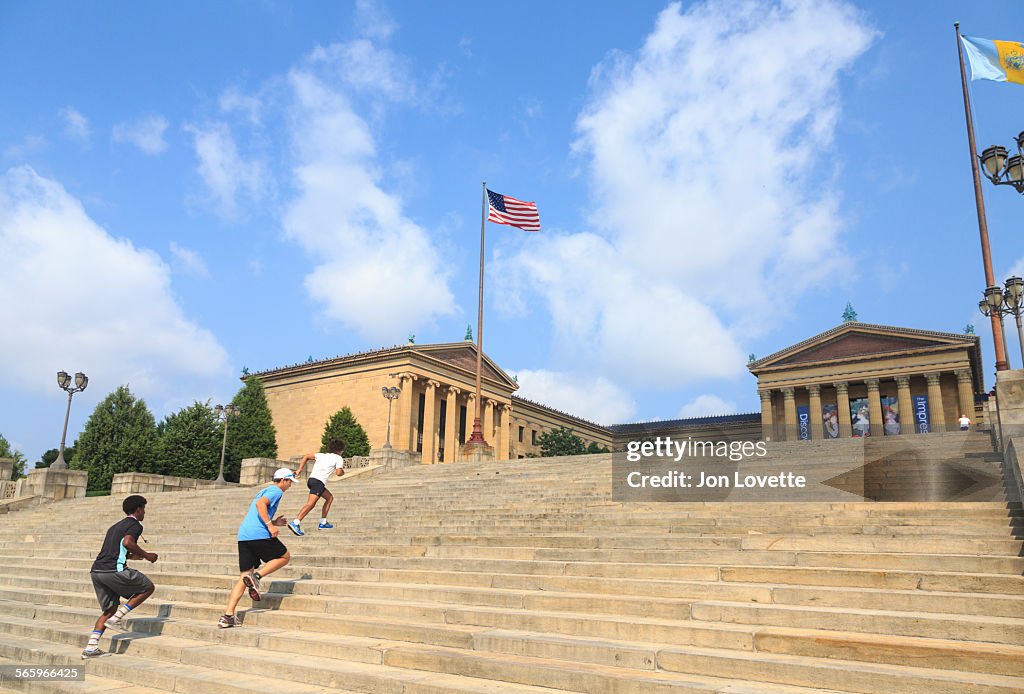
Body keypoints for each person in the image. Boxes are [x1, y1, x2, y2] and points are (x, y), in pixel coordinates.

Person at [218, 468, 295, 629]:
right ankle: (257, 577)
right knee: (284, 556)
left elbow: (257, 511)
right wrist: (270, 526)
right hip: (258, 534)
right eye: (289, 482)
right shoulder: (276, 491)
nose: (290, 486)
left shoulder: (265, 490)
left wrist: (274, 522)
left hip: (244, 535)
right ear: (283, 480)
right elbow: (261, 505)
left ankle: (228, 616)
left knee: (244, 576)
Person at [83, 495, 158, 658]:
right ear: (138, 509)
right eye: (144, 509)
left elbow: (115, 550)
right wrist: (147, 555)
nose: (144, 512)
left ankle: (91, 647)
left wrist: (131, 557)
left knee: (108, 610)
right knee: (148, 587)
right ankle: (117, 618)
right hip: (113, 570)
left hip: (97, 571)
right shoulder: (135, 525)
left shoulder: (114, 526)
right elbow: (127, 542)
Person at [288, 440, 346, 536]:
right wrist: (342, 472)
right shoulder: (338, 458)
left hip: (312, 480)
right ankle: (296, 522)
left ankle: (323, 522)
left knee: (329, 497)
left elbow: (306, 456)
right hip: (318, 482)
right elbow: (339, 473)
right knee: (310, 504)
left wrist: (299, 470)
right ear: (340, 450)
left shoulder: (321, 455)